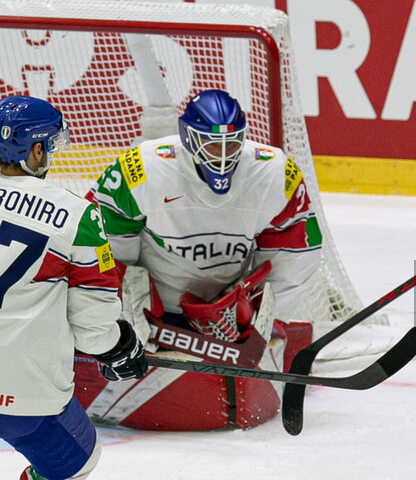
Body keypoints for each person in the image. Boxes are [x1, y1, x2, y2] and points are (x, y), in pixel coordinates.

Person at [79, 89, 323, 430]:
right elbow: (98, 246)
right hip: (153, 310)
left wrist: (266, 316)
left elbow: (296, 252)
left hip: (231, 313)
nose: (221, 155)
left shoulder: (274, 172)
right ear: (187, 137)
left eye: (231, 143)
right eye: (211, 144)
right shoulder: (141, 169)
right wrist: (119, 321)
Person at [0, 95, 147, 480]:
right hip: (22, 390)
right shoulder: (75, 214)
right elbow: (94, 326)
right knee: (74, 458)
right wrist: (119, 348)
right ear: (35, 152)